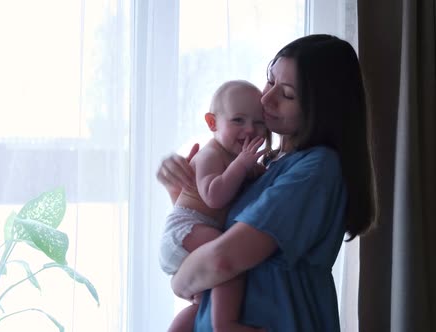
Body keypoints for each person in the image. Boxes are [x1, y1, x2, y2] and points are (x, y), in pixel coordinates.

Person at [157, 34, 378, 331]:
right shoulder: (270, 162)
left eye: (286, 94)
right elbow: (217, 227)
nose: (265, 99)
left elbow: (223, 260)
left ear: (321, 108)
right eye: (269, 80)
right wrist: (181, 190)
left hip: (278, 319)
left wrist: (180, 279)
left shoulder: (316, 169)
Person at [158, 80, 270, 332]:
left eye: (259, 122)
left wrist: (253, 170)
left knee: (202, 302)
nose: (250, 129)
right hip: (185, 229)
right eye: (238, 120)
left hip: (192, 235)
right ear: (212, 123)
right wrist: (241, 166)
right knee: (233, 260)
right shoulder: (211, 155)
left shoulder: (235, 158)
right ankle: (225, 325)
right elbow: (213, 197)